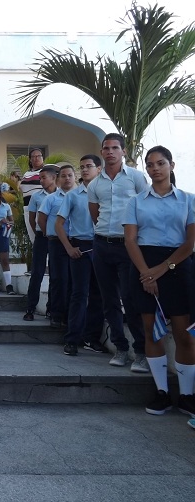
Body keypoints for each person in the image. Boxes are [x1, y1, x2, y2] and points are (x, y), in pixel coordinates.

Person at [123, 145, 195, 419]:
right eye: (150, 164)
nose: (155, 169)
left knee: (183, 333)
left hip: (178, 265)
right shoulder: (137, 201)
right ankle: (162, 392)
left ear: (171, 165)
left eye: (160, 163)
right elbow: (130, 240)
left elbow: (190, 242)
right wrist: (146, 273)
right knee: (152, 328)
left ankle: (187, 395)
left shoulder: (188, 200)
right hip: (144, 264)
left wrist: (162, 270)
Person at [88, 133, 149, 372]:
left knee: (130, 298)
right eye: (106, 148)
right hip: (102, 245)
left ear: (123, 151)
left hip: (128, 247)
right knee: (109, 300)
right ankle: (121, 348)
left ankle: (141, 352)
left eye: (115, 148)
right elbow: (95, 214)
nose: (110, 152)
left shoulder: (135, 178)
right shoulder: (95, 184)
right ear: (101, 152)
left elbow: (145, 207)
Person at [56, 155, 106, 355]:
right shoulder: (73, 195)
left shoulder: (107, 194)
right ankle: (72, 339)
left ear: (99, 169)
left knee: (99, 294)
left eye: (89, 166)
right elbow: (59, 224)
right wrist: (69, 248)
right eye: (82, 167)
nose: (85, 170)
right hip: (80, 248)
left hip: (102, 247)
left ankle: (91, 338)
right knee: (79, 293)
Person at [37, 164, 76, 328]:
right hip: (57, 243)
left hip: (76, 241)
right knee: (58, 279)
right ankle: (56, 314)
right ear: (58, 178)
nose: (67, 178)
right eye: (64, 176)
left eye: (70, 175)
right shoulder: (51, 198)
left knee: (74, 281)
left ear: (74, 177)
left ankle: (70, 315)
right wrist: (48, 234)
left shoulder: (82, 196)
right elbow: (41, 219)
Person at [23, 164, 58, 321]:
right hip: (41, 237)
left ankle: (51, 308)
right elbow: (32, 218)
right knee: (37, 272)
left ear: (53, 178)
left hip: (58, 238)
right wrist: (40, 232)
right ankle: (30, 308)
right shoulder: (36, 197)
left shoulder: (63, 195)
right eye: (39, 178)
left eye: (44, 178)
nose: (41, 181)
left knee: (55, 273)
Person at [20, 148, 46, 243]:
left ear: (43, 158)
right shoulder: (26, 174)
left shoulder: (46, 171)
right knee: (34, 239)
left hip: (42, 206)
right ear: (30, 159)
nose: (36, 158)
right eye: (33, 156)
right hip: (27, 207)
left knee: (43, 235)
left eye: (39, 156)